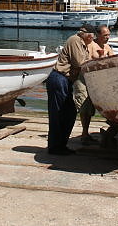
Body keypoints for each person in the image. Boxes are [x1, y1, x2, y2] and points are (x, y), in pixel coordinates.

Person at [46, 24, 95, 155]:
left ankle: (61, 145)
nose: (92, 40)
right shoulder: (75, 40)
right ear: (89, 36)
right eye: (92, 37)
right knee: (58, 114)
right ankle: (55, 147)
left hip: (65, 81)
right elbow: (79, 63)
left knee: (69, 113)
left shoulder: (82, 45)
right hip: (59, 78)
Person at [73, 25, 114, 144]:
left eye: (109, 35)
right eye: (105, 35)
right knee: (85, 106)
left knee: (93, 107)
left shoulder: (107, 47)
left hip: (98, 81)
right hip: (84, 79)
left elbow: (113, 59)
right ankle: (84, 133)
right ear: (98, 35)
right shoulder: (91, 45)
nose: (108, 37)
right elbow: (85, 61)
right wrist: (100, 60)